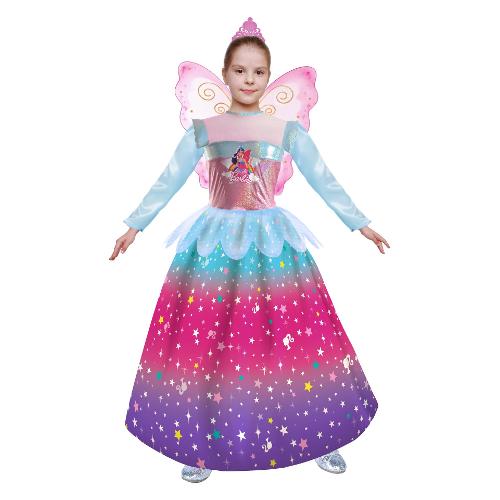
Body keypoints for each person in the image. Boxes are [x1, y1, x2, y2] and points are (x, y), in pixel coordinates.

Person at [110, 17, 389, 484]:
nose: (249, 79)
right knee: (206, 342)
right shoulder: (205, 128)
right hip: (214, 244)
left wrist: (360, 223)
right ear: (225, 75)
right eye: (240, 71)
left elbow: (325, 179)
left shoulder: (285, 130)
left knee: (299, 338)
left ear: (269, 77)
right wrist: (134, 226)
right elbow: (168, 179)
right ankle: (198, 441)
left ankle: (320, 433)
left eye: (258, 72)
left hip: (272, 241)